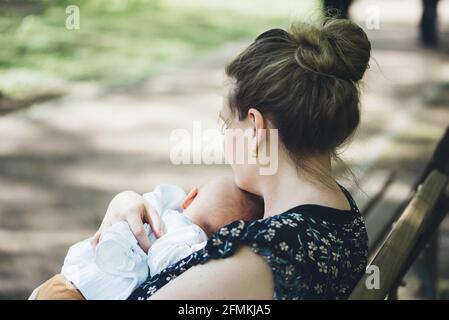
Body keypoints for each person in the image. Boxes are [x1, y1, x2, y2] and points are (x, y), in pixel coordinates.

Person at [33, 18, 371, 300]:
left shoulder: (261, 256)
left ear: (255, 127)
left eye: (227, 124)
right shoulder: (337, 216)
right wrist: (128, 204)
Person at [33, 177, 263, 300]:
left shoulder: (165, 213)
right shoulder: (192, 242)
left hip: (69, 281)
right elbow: (162, 262)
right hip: (83, 293)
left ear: (190, 197)